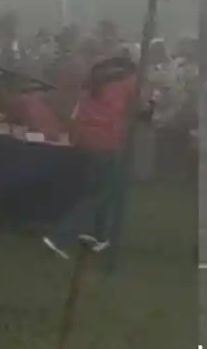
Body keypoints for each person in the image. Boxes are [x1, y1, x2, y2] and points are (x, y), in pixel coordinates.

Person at [44, 55, 140, 259]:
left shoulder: (96, 78)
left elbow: (78, 109)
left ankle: (99, 237)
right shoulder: (130, 82)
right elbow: (143, 108)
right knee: (102, 192)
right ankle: (60, 236)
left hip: (85, 138)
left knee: (99, 186)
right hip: (106, 140)